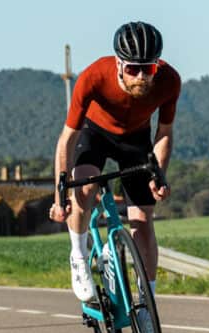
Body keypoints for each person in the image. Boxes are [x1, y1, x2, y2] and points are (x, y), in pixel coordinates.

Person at [49, 20, 176, 301]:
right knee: (84, 189)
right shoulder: (93, 77)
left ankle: (147, 302)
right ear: (119, 64)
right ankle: (79, 257)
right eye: (132, 69)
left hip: (136, 139)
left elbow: (164, 133)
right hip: (94, 134)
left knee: (142, 219)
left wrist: (159, 175)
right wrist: (60, 196)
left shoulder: (169, 80)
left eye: (149, 69)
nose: (141, 77)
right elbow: (67, 139)